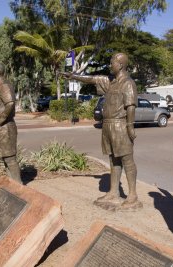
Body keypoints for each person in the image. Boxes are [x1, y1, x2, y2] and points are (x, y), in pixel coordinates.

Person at [62, 53, 142, 211]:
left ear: (120, 64)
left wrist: (130, 126)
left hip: (120, 125)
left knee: (127, 159)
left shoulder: (128, 83)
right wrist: (74, 76)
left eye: (112, 62)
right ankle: (113, 191)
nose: (110, 64)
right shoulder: (110, 82)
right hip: (108, 125)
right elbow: (92, 79)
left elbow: (131, 106)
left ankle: (132, 195)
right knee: (113, 159)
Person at [0, 63, 21, 184]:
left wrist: (1, 119)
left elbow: (10, 103)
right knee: (5, 157)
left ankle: (18, 185)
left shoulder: (4, 86)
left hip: (4, 126)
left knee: (10, 158)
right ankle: (11, 183)